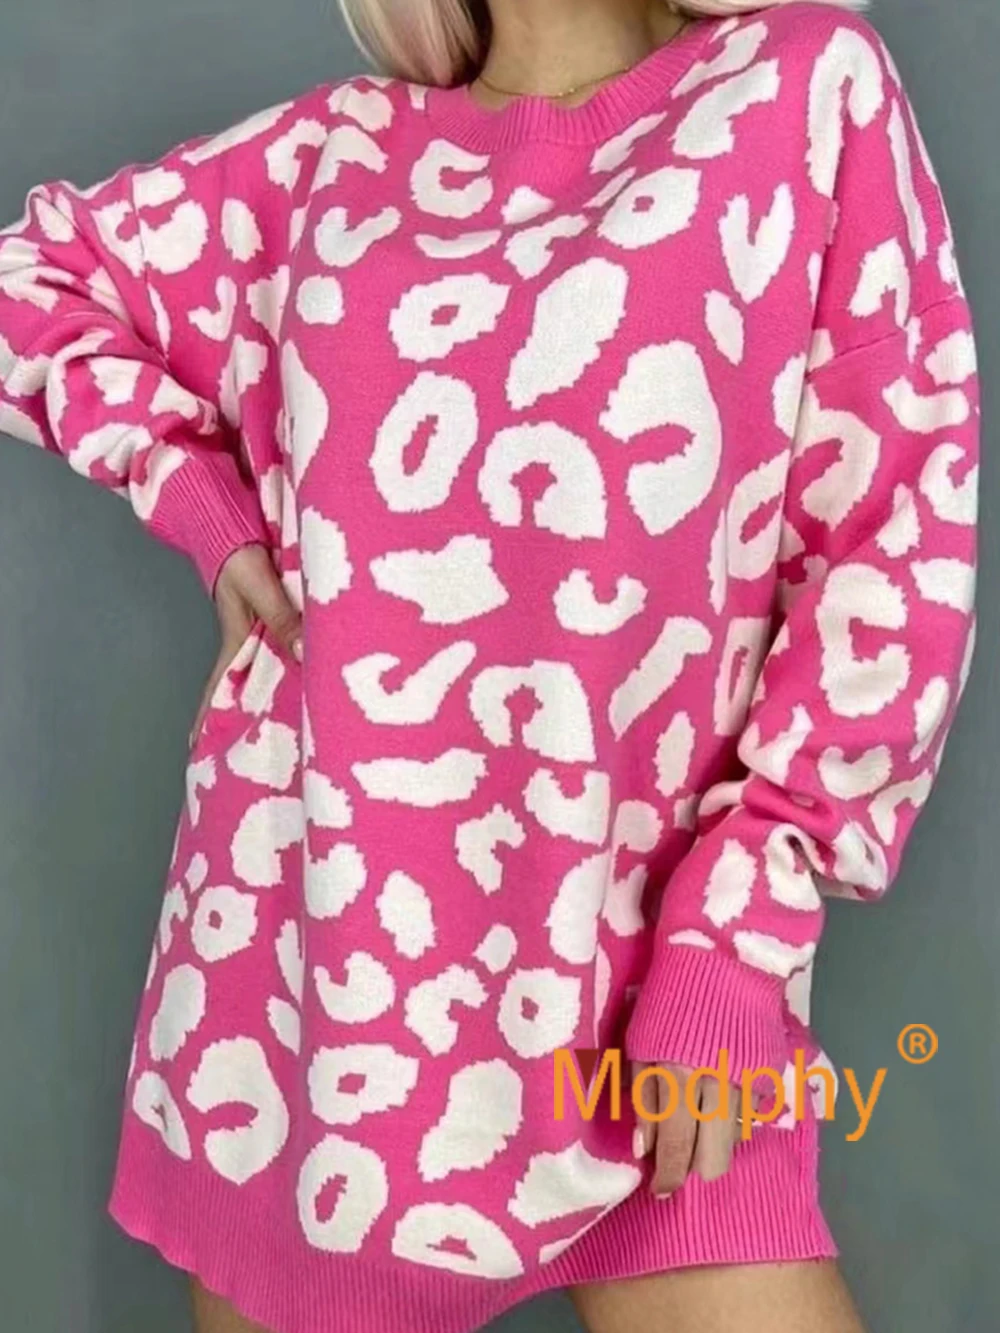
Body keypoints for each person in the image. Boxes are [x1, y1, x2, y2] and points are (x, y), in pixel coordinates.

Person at [0, 0, 980, 1330]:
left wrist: (739, 930)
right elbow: (31, 283)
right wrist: (207, 511)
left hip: (660, 980)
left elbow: (892, 544)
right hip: (311, 1018)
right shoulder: (325, 162)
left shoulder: (799, 88)